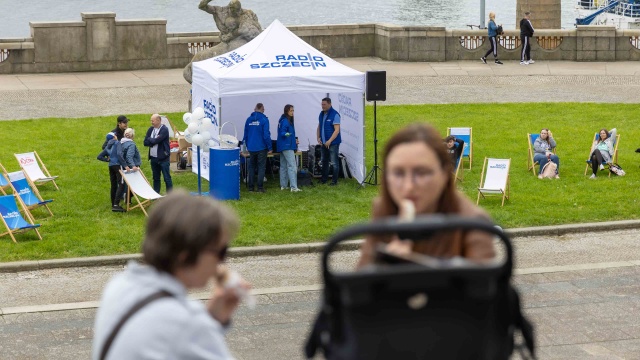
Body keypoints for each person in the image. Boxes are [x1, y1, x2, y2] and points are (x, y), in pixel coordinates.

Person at [92, 190, 249, 360]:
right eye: (221, 251)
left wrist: (213, 319)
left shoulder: (120, 284)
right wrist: (205, 325)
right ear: (186, 254)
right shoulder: (187, 321)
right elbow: (179, 332)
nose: (222, 262)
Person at [357, 124, 495, 268]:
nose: (408, 186)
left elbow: (481, 286)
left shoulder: (472, 223)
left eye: (422, 173)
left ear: (444, 174)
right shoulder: (384, 210)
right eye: (398, 173)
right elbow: (358, 284)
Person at [98, 132, 131, 212]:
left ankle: (113, 203)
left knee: (113, 184)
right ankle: (116, 205)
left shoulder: (107, 146)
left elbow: (99, 156)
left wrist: (107, 160)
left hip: (111, 166)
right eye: (115, 135)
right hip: (117, 165)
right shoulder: (117, 143)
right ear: (114, 137)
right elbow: (119, 154)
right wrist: (125, 165)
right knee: (122, 184)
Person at [243, 103, 272, 192]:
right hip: (261, 147)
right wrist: (270, 147)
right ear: (261, 109)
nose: (264, 110)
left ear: (255, 109)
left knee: (251, 167)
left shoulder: (248, 119)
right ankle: (260, 188)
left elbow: (245, 135)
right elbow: (266, 135)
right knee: (261, 167)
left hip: (251, 147)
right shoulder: (264, 119)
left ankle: (251, 188)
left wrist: (246, 146)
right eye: (264, 109)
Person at [144, 114, 173, 194]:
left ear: (158, 120)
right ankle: (156, 194)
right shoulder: (150, 129)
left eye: (152, 120)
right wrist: (152, 140)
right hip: (153, 158)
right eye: (151, 120)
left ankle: (170, 195)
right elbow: (145, 142)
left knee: (167, 178)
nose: (151, 122)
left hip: (163, 158)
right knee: (156, 178)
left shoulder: (164, 129)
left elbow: (156, 141)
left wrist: (151, 139)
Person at [316, 97, 341, 186]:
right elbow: (319, 126)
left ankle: (334, 181)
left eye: (324, 104)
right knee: (324, 161)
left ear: (330, 104)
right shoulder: (321, 114)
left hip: (333, 143)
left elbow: (337, 130)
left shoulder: (335, 115)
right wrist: (318, 137)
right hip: (324, 143)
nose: (323, 106)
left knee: (334, 162)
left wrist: (329, 141)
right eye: (322, 104)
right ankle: (324, 179)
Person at [277, 104, 301, 192]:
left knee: (283, 166)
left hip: (283, 146)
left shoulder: (283, 120)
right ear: (287, 111)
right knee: (292, 166)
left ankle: (283, 185)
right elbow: (283, 132)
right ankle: (293, 187)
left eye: (293, 110)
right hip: (287, 146)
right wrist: (288, 135)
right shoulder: (286, 121)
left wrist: (293, 139)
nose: (292, 112)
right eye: (291, 110)